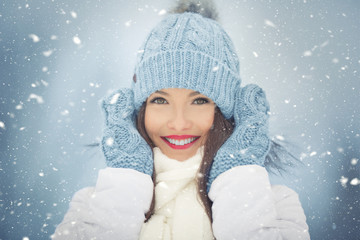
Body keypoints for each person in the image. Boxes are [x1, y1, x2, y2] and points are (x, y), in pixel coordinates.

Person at [52, 1, 310, 239]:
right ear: (137, 109)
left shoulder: (274, 207)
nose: (178, 123)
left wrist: (236, 172)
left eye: (199, 101)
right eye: (160, 100)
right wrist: (127, 176)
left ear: (227, 111)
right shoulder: (93, 206)